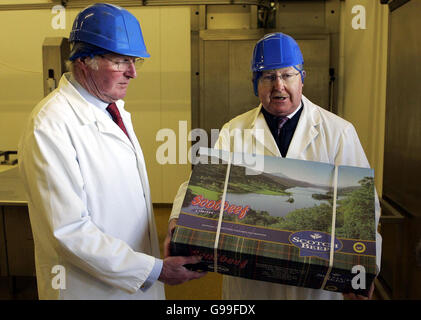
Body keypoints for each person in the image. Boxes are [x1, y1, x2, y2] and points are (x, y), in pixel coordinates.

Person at [165, 32, 382, 300]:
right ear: (256, 83)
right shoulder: (234, 130)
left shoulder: (339, 132)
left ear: (301, 78)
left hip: (314, 285)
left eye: (287, 75)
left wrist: (363, 268)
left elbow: (365, 205)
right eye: (268, 77)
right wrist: (178, 217)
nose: (278, 86)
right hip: (251, 283)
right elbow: (204, 182)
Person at [18, 3, 205, 300]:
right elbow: (69, 231)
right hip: (89, 289)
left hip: (132, 279)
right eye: (120, 61)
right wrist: (154, 271)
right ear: (85, 60)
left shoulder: (112, 110)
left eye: (134, 61)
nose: (133, 73)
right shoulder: (51, 125)